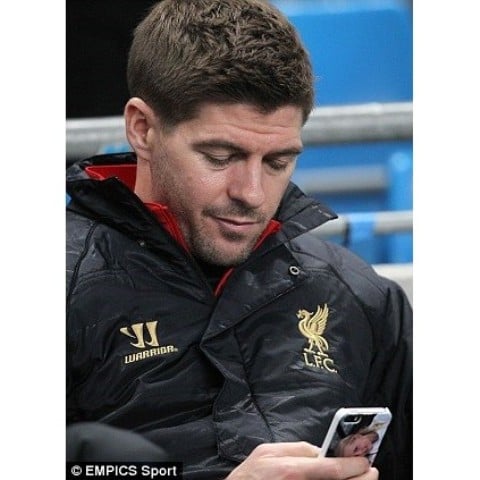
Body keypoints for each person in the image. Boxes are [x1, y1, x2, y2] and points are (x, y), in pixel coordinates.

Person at [66, 1, 412, 479]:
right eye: (220, 156)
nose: (252, 194)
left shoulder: (360, 297)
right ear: (142, 129)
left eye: (277, 162)